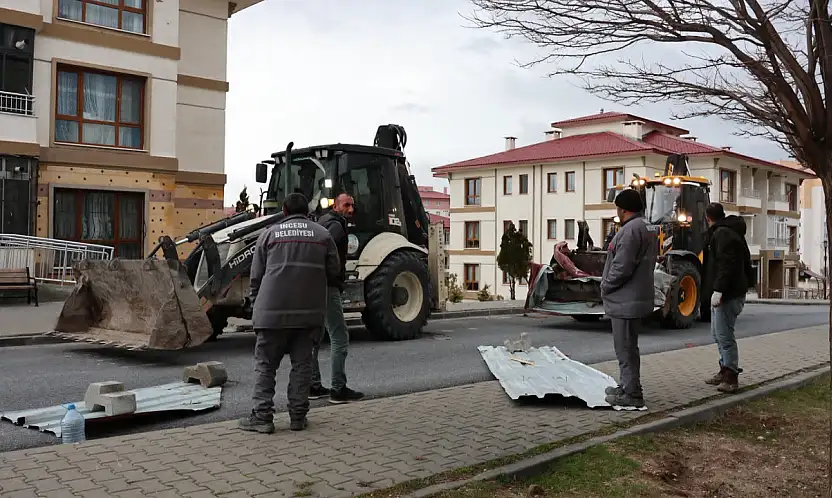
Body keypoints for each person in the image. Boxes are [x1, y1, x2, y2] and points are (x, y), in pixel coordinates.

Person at [238, 192, 340, 433]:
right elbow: (334, 271)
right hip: (309, 315)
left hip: (271, 314)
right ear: (307, 212)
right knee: (302, 366)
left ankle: (262, 418)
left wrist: (257, 305)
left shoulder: (268, 235)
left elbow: (256, 277)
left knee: (265, 366)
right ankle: (297, 417)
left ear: (283, 211)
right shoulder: (323, 236)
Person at [600, 188, 658, 409]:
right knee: (630, 347)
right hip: (637, 296)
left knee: (624, 349)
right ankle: (628, 386)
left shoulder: (629, 231)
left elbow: (621, 267)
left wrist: (605, 286)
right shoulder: (647, 227)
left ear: (622, 209)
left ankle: (632, 394)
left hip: (625, 300)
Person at [310, 192, 365, 404]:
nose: (351, 210)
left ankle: (312, 386)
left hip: (313, 285)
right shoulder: (336, 226)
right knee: (339, 336)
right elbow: (325, 251)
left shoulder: (321, 221)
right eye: (347, 205)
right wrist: (332, 274)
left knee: (315, 336)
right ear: (336, 206)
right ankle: (338, 389)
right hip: (328, 286)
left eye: (352, 206)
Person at [702, 202, 752, 393]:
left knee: (724, 336)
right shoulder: (728, 232)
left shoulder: (722, 234)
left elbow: (726, 264)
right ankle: (724, 370)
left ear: (707, 218)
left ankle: (731, 377)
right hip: (729, 292)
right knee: (718, 333)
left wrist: (719, 290)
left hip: (728, 294)